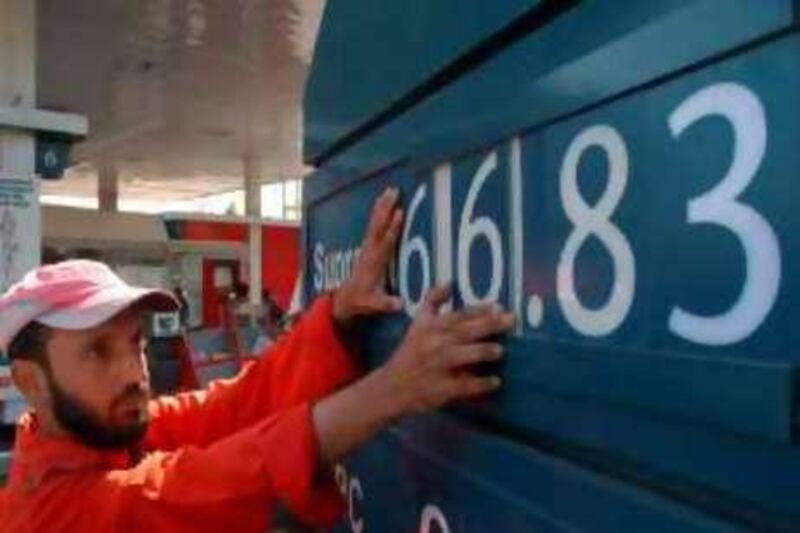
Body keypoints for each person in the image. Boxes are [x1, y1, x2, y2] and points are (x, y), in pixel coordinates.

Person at [0, 188, 514, 532]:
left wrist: (337, 313)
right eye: (96, 351)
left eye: (134, 342)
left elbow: (240, 401)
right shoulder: (47, 512)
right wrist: (396, 388)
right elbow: (215, 478)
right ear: (32, 382)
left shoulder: (108, 430)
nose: (134, 373)